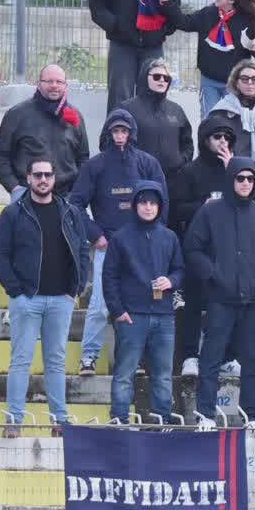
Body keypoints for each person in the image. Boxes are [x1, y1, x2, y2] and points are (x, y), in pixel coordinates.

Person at [0, 157, 90, 435]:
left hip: (61, 299)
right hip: (27, 300)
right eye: (38, 175)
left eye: (48, 174)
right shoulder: (13, 213)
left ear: (54, 179)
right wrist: (16, 292)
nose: (43, 179)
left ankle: (60, 420)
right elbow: (0, 255)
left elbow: (82, 251)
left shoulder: (69, 212)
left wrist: (76, 289)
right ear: (28, 178)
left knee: (56, 361)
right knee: (21, 360)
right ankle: (14, 421)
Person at [70, 107, 167, 376]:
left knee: (137, 304)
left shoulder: (147, 163)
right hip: (109, 246)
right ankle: (89, 356)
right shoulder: (96, 165)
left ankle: (132, 360)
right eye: (116, 130)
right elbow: (75, 204)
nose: (120, 135)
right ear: (108, 133)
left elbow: (162, 202)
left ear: (132, 133)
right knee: (101, 306)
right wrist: (95, 234)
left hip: (142, 248)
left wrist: (154, 237)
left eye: (124, 130)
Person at [184, 156, 255, 427]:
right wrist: (212, 274)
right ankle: (206, 415)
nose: (246, 183)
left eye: (251, 178)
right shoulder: (210, 211)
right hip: (220, 299)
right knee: (211, 359)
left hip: (253, 301)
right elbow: (193, 248)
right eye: (241, 178)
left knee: (252, 362)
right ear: (231, 179)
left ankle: (253, 416)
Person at [101, 181, 183, 425]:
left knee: (163, 376)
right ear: (135, 204)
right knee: (125, 374)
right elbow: (109, 277)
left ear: (160, 206)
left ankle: (162, 423)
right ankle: (119, 421)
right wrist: (118, 311)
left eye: (153, 203)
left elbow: (180, 270)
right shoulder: (120, 238)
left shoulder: (169, 237)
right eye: (143, 202)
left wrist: (171, 281)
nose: (148, 207)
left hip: (164, 316)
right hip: (131, 316)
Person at [177, 113, 247, 380]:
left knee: (228, 304)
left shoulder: (237, 171)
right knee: (194, 304)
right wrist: (202, 206)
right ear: (205, 139)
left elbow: (248, 201)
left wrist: (232, 170)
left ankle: (228, 357)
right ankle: (190, 356)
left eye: (227, 137)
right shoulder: (191, 171)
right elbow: (176, 209)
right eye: (216, 137)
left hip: (229, 249)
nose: (222, 142)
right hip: (198, 248)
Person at [111, 57, 195, 220]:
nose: (162, 80)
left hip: (171, 182)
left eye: (166, 78)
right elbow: (109, 141)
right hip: (137, 181)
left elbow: (187, 143)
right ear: (144, 78)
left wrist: (181, 160)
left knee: (168, 229)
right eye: (156, 76)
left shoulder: (176, 110)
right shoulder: (127, 108)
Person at [0, 64, 90, 198]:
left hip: (66, 196)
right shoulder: (17, 114)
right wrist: (14, 188)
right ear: (38, 84)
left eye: (59, 82)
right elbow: (0, 155)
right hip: (27, 194)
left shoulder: (75, 115)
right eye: (49, 81)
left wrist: (77, 190)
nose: (54, 85)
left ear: (65, 86)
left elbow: (83, 157)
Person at [179, 0, 255, 116]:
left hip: (235, 83)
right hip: (209, 81)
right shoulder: (208, 13)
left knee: (235, 122)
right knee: (209, 120)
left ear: (231, 0)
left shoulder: (248, 20)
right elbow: (184, 23)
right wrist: (168, 2)